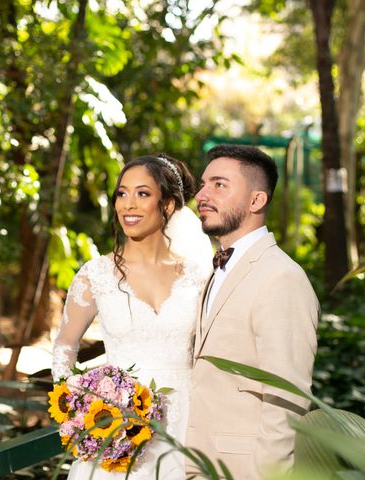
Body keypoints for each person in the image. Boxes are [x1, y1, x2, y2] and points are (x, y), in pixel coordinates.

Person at [52, 154, 213, 479]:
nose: (128, 204)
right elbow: (64, 347)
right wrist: (81, 408)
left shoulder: (199, 276)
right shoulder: (95, 274)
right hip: (114, 427)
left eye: (142, 194)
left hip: (187, 428)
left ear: (167, 205)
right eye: (122, 194)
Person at [186, 144, 320, 480]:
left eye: (219, 185)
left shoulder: (282, 277)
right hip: (198, 462)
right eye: (204, 184)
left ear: (256, 201)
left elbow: (287, 397)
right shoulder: (215, 269)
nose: (202, 194)